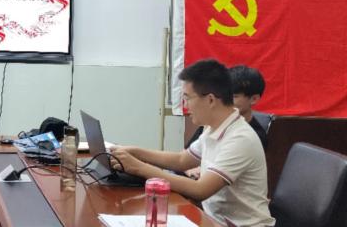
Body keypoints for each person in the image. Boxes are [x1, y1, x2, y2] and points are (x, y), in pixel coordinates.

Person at [110, 59, 274, 227]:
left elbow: (200, 190)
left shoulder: (240, 139)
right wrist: (134, 151)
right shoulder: (214, 126)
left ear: (210, 100)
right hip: (213, 220)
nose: (186, 105)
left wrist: (138, 167)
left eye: (187, 98)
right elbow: (182, 160)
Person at [184, 65, 268, 179]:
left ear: (254, 99)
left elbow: (206, 185)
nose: (223, 101)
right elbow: (185, 157)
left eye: (233, 96)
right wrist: (188, 168)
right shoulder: (214, 123)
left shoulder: (249, 137)